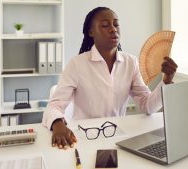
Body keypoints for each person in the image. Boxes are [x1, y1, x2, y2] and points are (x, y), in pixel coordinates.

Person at [42, 7, 178, 149]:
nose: (113, 29)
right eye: (105, 25)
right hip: (84, 138)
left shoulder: (130, 62)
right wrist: (57, 124)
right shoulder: (77, 64)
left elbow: (148, 106)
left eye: (116, 24)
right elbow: (54, 106)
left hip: (117, 137)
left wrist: (167, 80)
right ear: (91, 32)